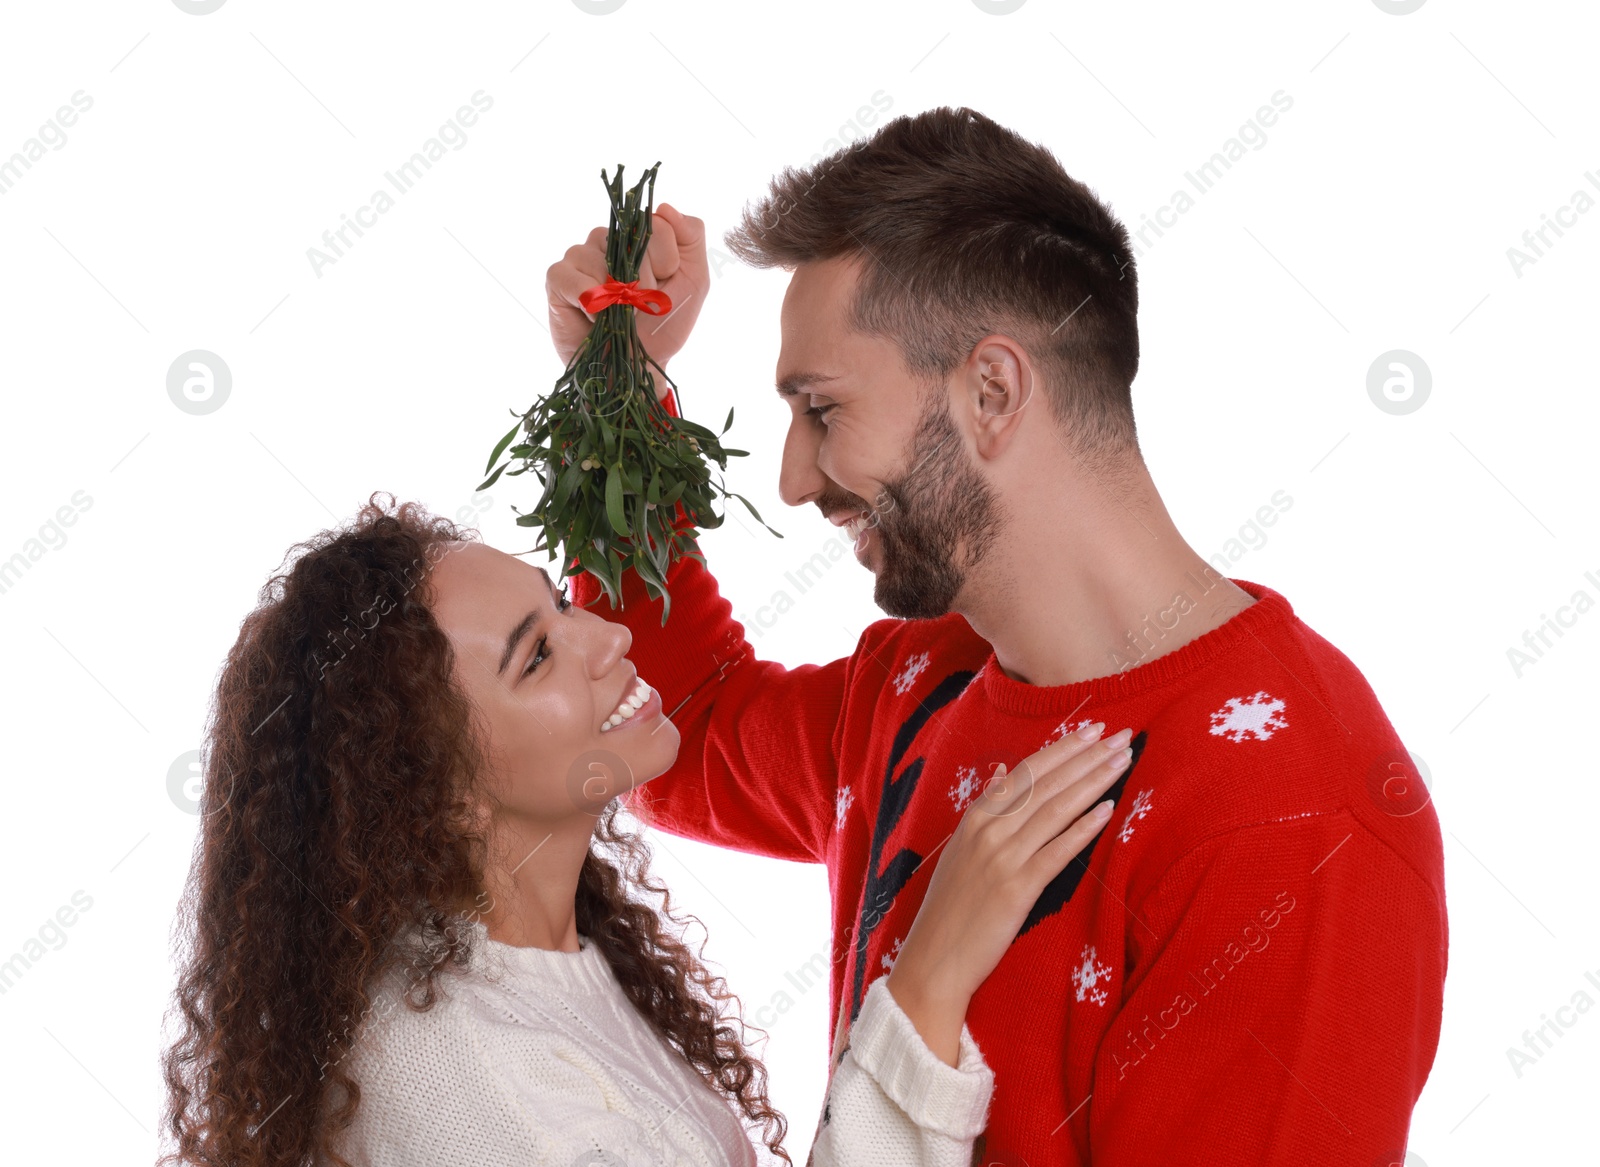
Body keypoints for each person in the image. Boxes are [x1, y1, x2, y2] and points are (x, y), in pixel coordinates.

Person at [546, 106, 1448, 1166]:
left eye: (821, 410)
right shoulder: (920, 682)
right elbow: (669, 726)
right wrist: (612, 386)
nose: (792, 480)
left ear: (991, 390)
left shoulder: (1293, 821)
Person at [158, 494, 1130, 1167]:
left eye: (559, 603)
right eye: (537, 657)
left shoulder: (529, 959)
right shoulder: (465, 1089)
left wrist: (614, 378)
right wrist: (926, 979)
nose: (608, 638)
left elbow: (713, 710)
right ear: (433, 789)